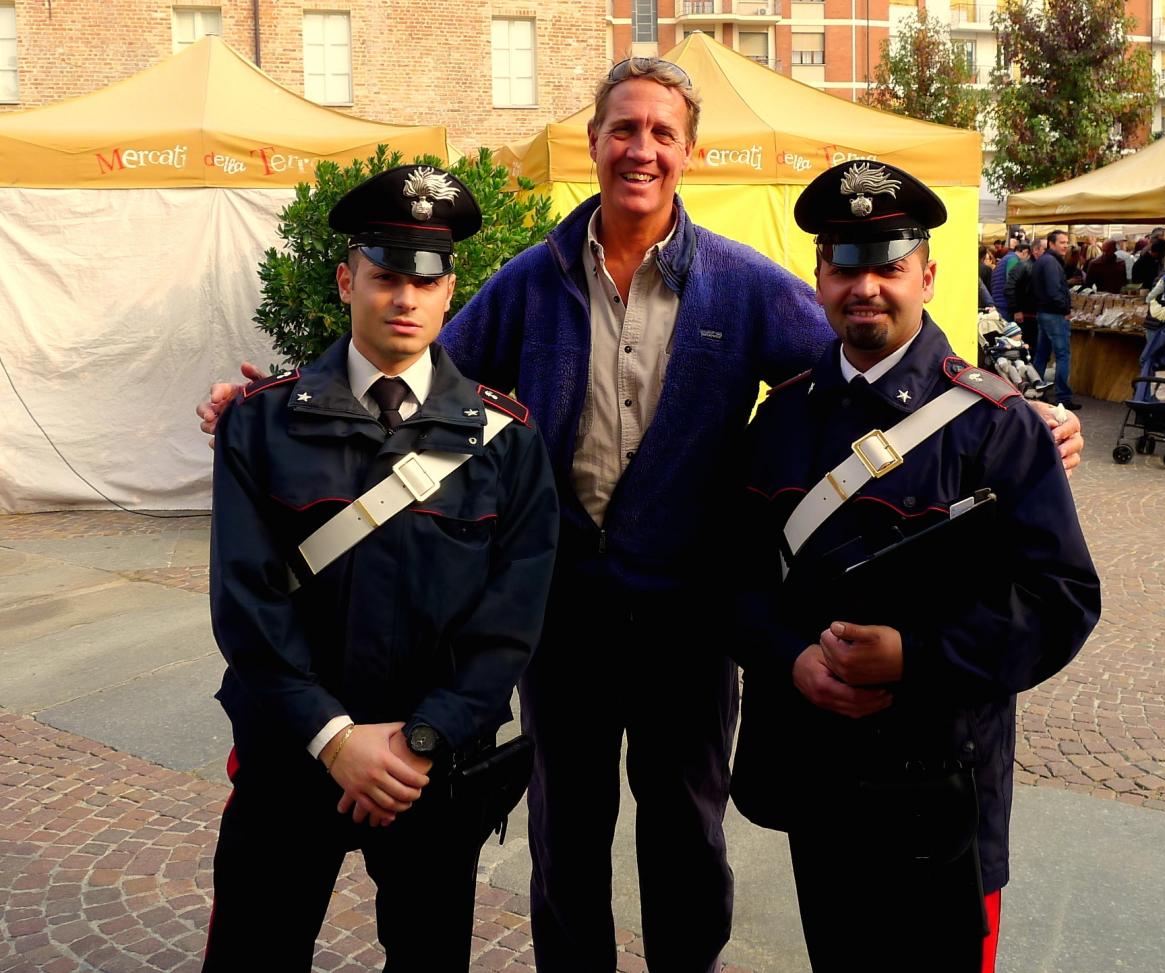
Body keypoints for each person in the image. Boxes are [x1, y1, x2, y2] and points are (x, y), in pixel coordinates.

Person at [197, 57, 1086, 973]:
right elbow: (415, 356)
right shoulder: (530, 279)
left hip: (689, 621)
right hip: (563, 617)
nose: (642, 148)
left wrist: (1014, 408)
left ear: (688, 152)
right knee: (566, 833)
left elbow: (870, 364)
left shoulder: (742, 284)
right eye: (624, 128)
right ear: (594, 142)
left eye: (663, 132)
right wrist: (280, 395)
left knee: (686, 834)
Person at [729, 161, 1101, 973]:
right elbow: (739, 579)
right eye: (845, 263)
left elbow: (1061, 599)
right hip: (820, 779)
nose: (865, 285)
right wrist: (790, 658)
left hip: (947, 790)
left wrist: (917, 654)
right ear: (819, 278)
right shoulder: (780, 419)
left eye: (888, 262)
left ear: (927, 276)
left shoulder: (996, 425)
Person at [202, 166, 559, 972]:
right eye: (385, 276)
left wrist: (422, 739)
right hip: (291, 757)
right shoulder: (260, 425)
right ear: (346, 279)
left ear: (449, 292)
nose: (404, 298)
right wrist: (334, 739)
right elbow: (246, 604)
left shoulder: (507, 441)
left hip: (431, 769)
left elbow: (511, 620)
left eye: (423, 281)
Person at [1032, 229, 1081, 409]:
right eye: (1062, 242)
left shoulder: (1044, 261)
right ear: (1052, 244)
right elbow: (1054, 291)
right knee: (1062, 355)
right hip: (1054, 314)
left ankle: (1035, 390)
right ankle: (1063, 397)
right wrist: (1065, 309)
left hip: (1044, 313)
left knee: (1042, 354)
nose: (1065, 246)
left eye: (1066, 242)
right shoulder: (1051, 262)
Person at [1006, 237, 1043, 352]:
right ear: (1036, 250)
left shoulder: (1041, 266)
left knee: (1035, 349)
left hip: (1036, 315)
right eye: (1044, 249)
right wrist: (1016, 309)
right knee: (1026, 349)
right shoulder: (1023, 266)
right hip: (1026, 316)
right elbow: (1009, 287)